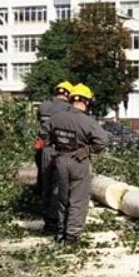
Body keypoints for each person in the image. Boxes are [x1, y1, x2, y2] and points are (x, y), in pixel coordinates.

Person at [44, 83, 109, 242]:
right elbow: (102, 141)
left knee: (63, 198)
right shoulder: (87, 121)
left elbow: (44, 136)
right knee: (78, 199)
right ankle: (71, 235)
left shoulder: (56, 118)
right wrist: (88, 150)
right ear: (86, 102)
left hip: (59, 160)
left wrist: (57, 143)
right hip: (78, 162)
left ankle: (61, 232)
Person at [36, 81, 75, 230]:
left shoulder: (43, 106)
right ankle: (59, 220)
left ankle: (48, 220)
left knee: (46, 184)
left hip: (45, 149)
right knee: (61, 185)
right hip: (61, 150)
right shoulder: (69, 109)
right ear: (67, 94)